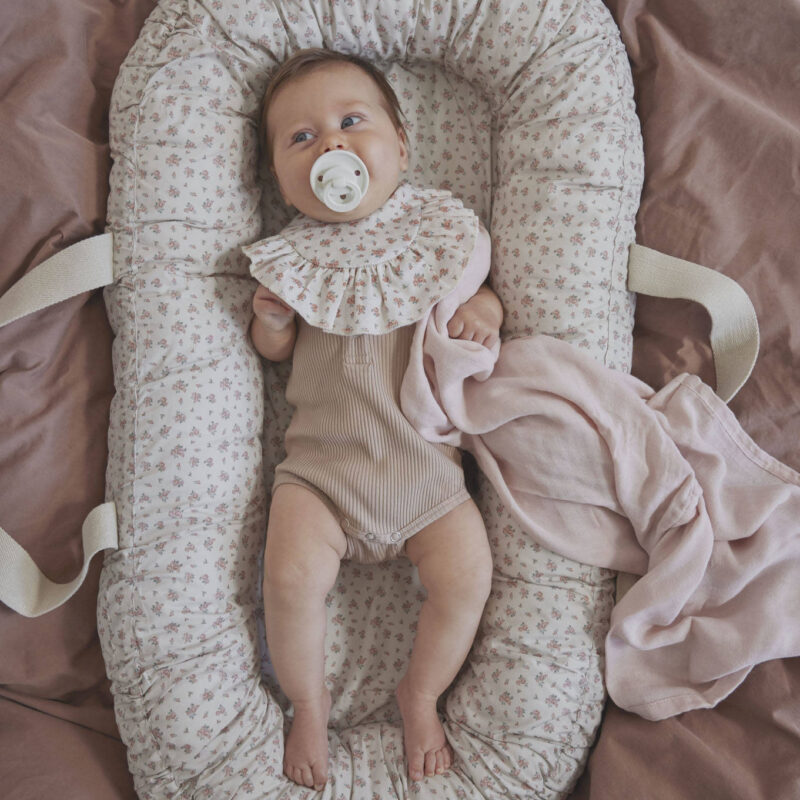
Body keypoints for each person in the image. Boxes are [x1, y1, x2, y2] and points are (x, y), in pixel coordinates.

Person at [244, 48, 502, 791]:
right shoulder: (293, 260)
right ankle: (308, 702)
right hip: (320, 477)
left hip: (427, 477)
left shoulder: (435, 234)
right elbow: (272, 353)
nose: (330, 143)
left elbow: (477, 296)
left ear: (402, 147)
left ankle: (420, 692)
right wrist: (272, 322)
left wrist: (486, 312)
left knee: (468, 577)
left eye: (352, 122)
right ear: (281, 179)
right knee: (289, 578)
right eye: (301, 138)